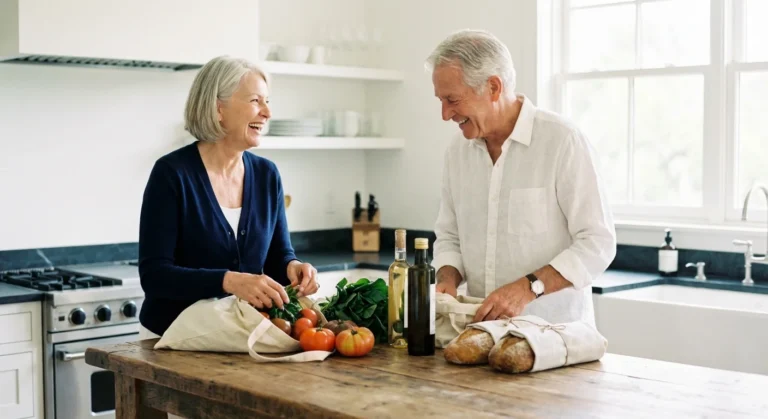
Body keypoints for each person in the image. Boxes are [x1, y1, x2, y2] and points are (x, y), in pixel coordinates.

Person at [426, 30, 616, 326]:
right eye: (441, 100)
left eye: (452, 100)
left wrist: (529, 288)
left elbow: (598, 243)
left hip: (555, 337)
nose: (445, 114)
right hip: (479, 334)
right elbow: (450, 236)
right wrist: (447, 277)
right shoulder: (457, 152)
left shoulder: (562, 141)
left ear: (493, 87)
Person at [137, 55, 319, 339]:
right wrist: (229, 281)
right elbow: (155, 276)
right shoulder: (172, 174)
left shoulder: (267, 175)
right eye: (255, 101)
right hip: (170, 340)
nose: (267, 113)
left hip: (233, 335)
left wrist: (293, 268)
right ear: (218, 108)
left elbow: (277, 257)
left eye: (267, 102)